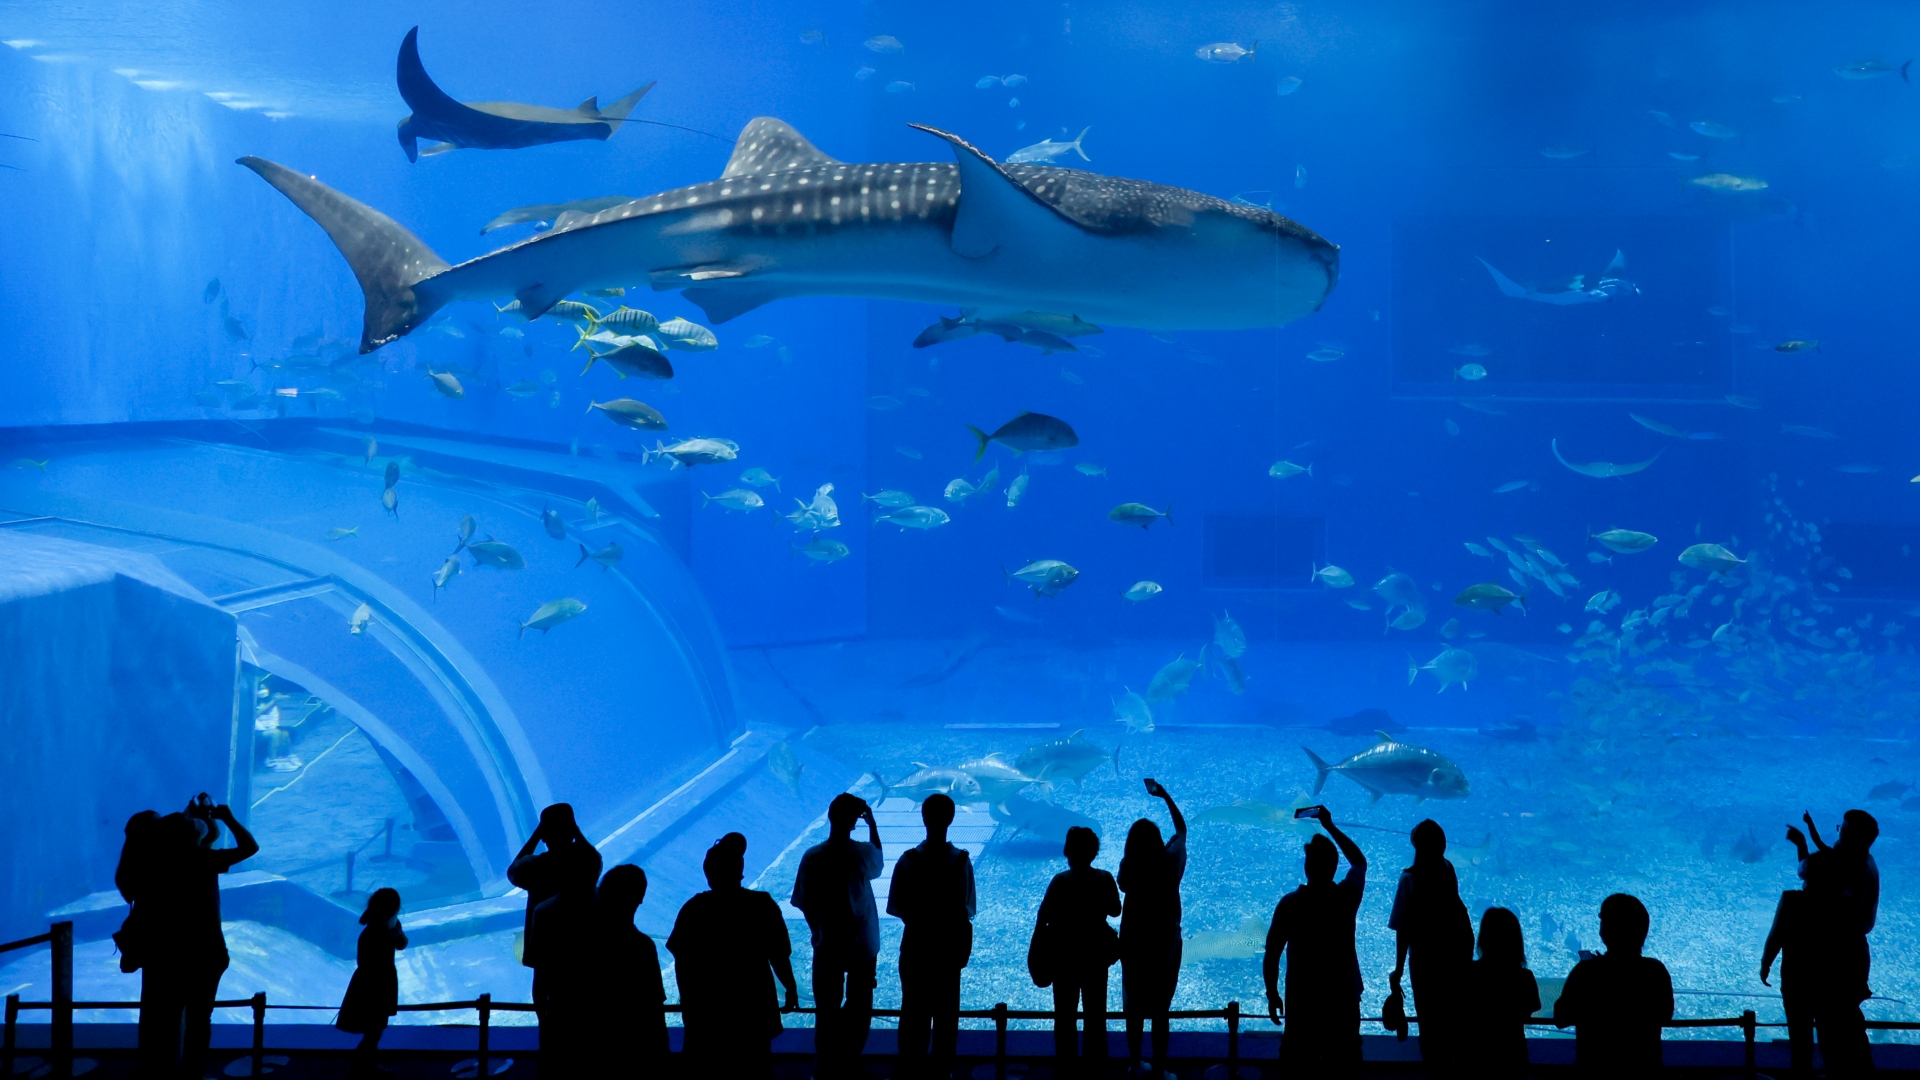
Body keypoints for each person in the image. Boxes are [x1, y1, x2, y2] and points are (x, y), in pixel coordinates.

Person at [140, 794, 259, 1080]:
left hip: (167, 954)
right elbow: (250, 847)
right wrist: (227, 818)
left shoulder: (157, 861)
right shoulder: (204, 860)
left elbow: (174, 834)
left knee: (167, 1018)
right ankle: (192, 1074)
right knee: (199, 1019)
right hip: (206, 952)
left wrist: (190, 815)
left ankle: (163, 1072)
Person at [668, 833, 799, 1078]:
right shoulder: (761, 904)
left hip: (707, 1015)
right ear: (740, 872)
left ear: (708, 874)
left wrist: (690, 1006)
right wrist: (790, 987)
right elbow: (779, 954)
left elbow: (681, 960)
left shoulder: (693, 909)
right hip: (752, 1013)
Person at [1262, 807, 1367, 1080]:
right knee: (1343, 1065)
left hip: (1303, 1001)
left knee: (1298, 1066)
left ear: (1306, 867)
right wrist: (1330, 826)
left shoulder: (1290, 905)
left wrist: (1272, 993)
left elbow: (1272, 954)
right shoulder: (1346, 897)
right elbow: (1359, 862)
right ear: (1334, 868)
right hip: (1342, 999)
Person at [792, 793, 884, 1079]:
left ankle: (825, 1064)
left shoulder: (813, 856)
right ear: (855, 822)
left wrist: (818, 931)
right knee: (860, 1004)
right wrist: (872, 824)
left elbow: (803, 901)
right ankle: (850, 1060)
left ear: (830, 818)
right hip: (863, 944)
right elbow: (878, 863)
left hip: (827, 944)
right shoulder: (862, 854)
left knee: (826, 1007)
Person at [507, 803, 603, 1076]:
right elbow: (593, 856)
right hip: (582, 953)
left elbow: (513, 871)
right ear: (572, 830)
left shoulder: (537, 866)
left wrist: (537, 834)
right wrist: (576, 833)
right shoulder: (586, 864)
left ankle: (549, 1065)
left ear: (546, 833)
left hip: (546, 953)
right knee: (583, 1012)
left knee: (545, 1011)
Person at [886, 793, 976, 1080]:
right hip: (948, 952)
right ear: (951, 819)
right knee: (947, 1016)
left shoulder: (908, 860)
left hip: (915, 948)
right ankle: (942, 1072)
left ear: (922, 818)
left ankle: (909, 1070)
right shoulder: (961, 861)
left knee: (913, 1012)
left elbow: (896, 907)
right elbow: (969, 909)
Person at [1789, 808, 1881, 1077]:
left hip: (1838, 961)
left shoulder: (1849, 867)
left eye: (1845, 830)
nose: (1839, 834)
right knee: (1848, 1029)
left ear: (1856, 838)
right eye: (1841, 828)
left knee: (1835, 1032)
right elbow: (1814, 868)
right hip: (1852, 957)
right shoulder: (1863, 862)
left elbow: (1808, 872)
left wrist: (1802, 844)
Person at [1386, 819, 1473, 1080]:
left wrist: (1398, 969)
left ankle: (1436, 1072)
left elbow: (1403, 927)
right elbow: (1458, 916)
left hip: (1424, 962)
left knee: (1429, 1020)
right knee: (1454, 1019)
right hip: (1455, 958)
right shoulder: (1447, 868)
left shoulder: (1410, 878)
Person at [1553, 893, 1674, 1077]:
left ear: (1606, 930)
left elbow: (1561, 1018)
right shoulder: (1655, 971)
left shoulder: (1586, 972)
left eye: (1604, 921)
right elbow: (1665, 1016)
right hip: (1644, 1070)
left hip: (1595, 1070)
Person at [1035, 825, 1122, 1076]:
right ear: (1094, 853)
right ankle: (1097, 1069)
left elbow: (1044, 916)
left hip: (1064, 956)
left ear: (1067, 852)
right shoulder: (1104, 878)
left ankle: (1066, 1068)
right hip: (1095, 955)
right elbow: (1116, 910)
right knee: (1096, 1015)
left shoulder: (1060, 881)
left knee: (1064, 1017)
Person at [1119, 778, 1188, 1076]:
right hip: (1165, 942)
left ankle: (1135, 1064)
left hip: (1133, 941)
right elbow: (1182, 831)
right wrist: (1165, 796)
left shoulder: (1128, 868)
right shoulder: (1170, 863)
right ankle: (1159, 1068)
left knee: (1133, 1008)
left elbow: (1122, 885)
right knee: (1161, 1008)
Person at [594, 864, 668, 1075]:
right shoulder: (641, 946)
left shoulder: (577, 940)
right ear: (640, 897)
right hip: (636, 1052)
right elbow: (654, 1009)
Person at [335, 888, 407, 1077]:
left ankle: (365, 1064)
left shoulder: (386, 928)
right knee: (375, 1028)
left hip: (379, 983)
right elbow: (366, 963)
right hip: (373, 986)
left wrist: (395, 931)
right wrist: (391, 934)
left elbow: (402, 943)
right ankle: (362, 1065)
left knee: (377, 1028)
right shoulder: (373, 933)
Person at [1465, 907, 1539, 1079]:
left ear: (1483, 939)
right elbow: (1532, 1007)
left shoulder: (1469, 973)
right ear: (1516, 941)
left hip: (1474, 1055)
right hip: (1511, 1056)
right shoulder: (1524, 977)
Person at [1761, 887, 1813, 1080]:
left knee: (1800, 1038)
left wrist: (1766, 963)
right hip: (1829, 979)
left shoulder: (1792, 899)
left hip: (1796, 978)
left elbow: (1777, 934)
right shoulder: (1840, 900)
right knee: (1832, 1039)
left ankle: (1801, 1076)